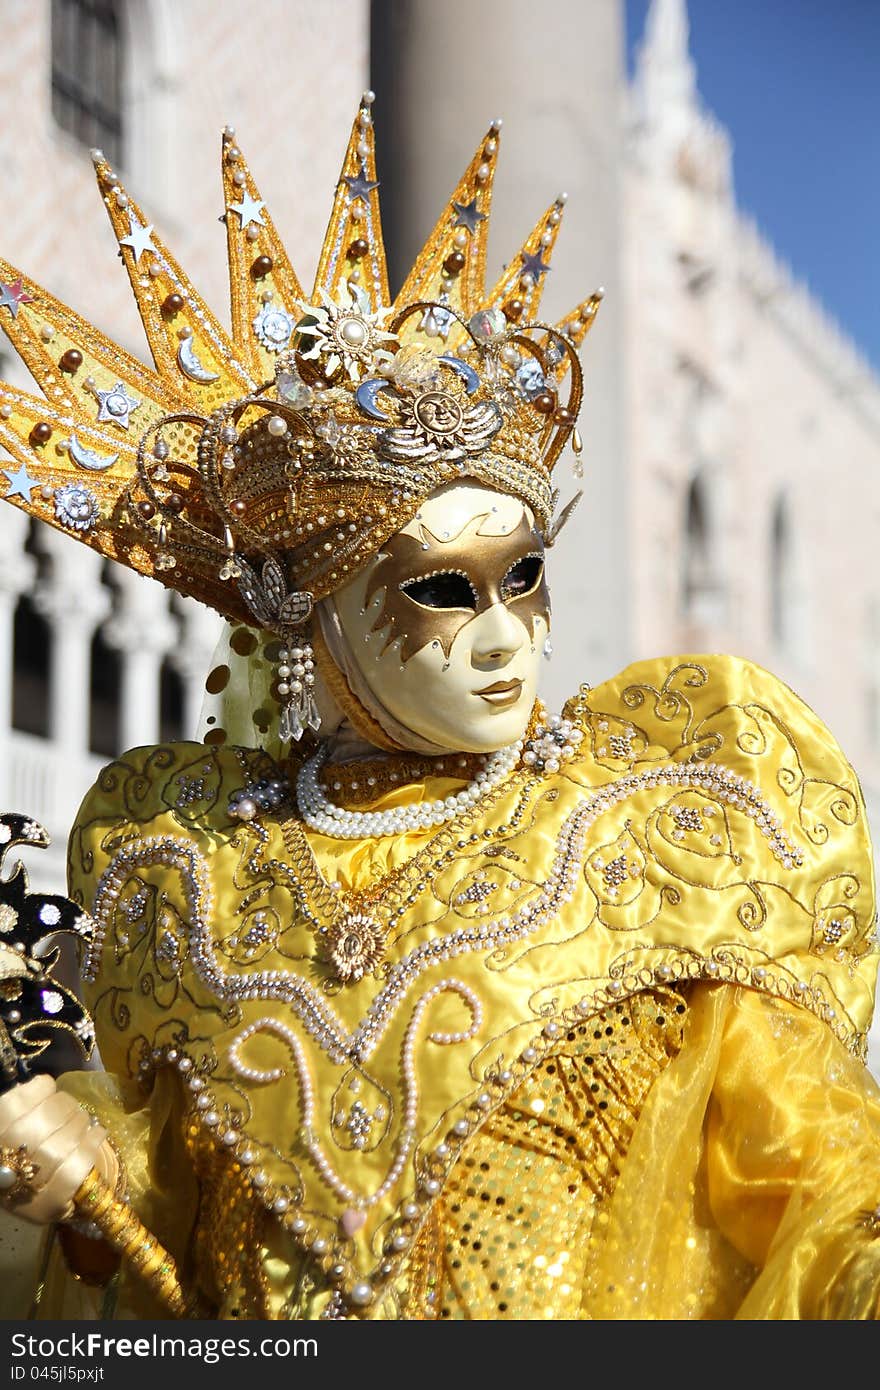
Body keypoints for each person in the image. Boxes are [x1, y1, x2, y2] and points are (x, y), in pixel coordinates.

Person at [0, 94, 879, 1322]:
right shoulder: (188, 868)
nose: (505, 633)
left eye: (524, 576)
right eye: (438, 591)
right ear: (318, 622)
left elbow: (817, 1186)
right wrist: (86, 1168)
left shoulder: (656, 827)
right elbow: (182, 1204)